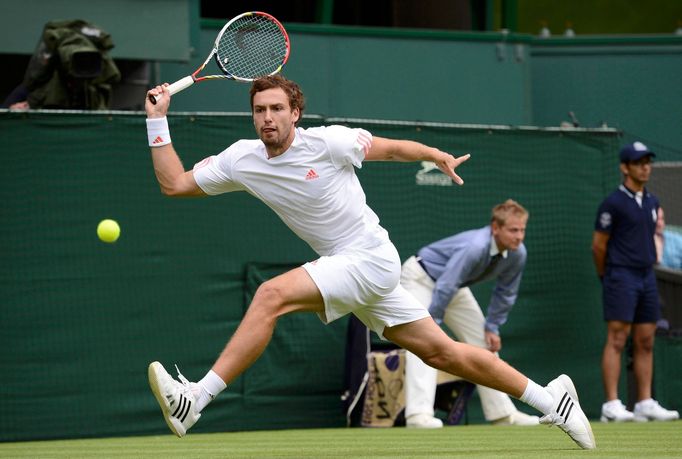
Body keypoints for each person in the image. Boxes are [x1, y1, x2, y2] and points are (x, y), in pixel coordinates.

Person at [144, 75, 595, 449]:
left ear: (294, 113)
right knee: (444, 353)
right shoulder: (240, 159)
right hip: (352, 267)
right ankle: (551, 399)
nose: (268, 117)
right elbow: (174, 184)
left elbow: (393, 149)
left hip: (371, 258)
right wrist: (157, 121)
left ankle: (196, 399)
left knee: (271, 295)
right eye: (260, 109)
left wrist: (434, 155)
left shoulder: (329, 143)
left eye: (277, 109)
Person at [402, 199, 539, 428]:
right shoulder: (476, 247)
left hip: (452, 285)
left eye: (522, 230)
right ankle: (418, 415)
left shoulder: (518, 254)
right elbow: (446, 283)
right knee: (424, 342)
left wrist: (492, 326)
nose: (519, 236)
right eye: (513, 230)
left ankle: (502, 413)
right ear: (496, 228)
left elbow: (506, 293)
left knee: (482, 343)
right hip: (421, 277)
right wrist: (433, 321)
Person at [592, 141, 679, 423]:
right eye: (639, 162)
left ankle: (644, 402)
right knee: (617, 339)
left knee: (646, 340)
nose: (645, 167)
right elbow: (599, 246)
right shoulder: (613, 203)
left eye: (648, 162)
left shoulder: (653, 202)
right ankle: (612, 405)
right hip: (620, 275)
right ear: (624, 167)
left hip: (646, 276)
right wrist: (607, 276)